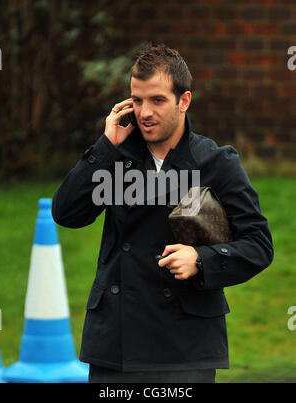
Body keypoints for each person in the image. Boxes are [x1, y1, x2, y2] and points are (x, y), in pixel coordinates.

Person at [52, 44, 273, 383]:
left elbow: (259, 245)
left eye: (157, 100)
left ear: (183, 101)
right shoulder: (116, 158)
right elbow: (67, 213)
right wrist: (104, 147)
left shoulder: (216, 163)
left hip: (184, 346)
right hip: (117, 345)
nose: (144, 112)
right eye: (137, 100)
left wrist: (201, 260)